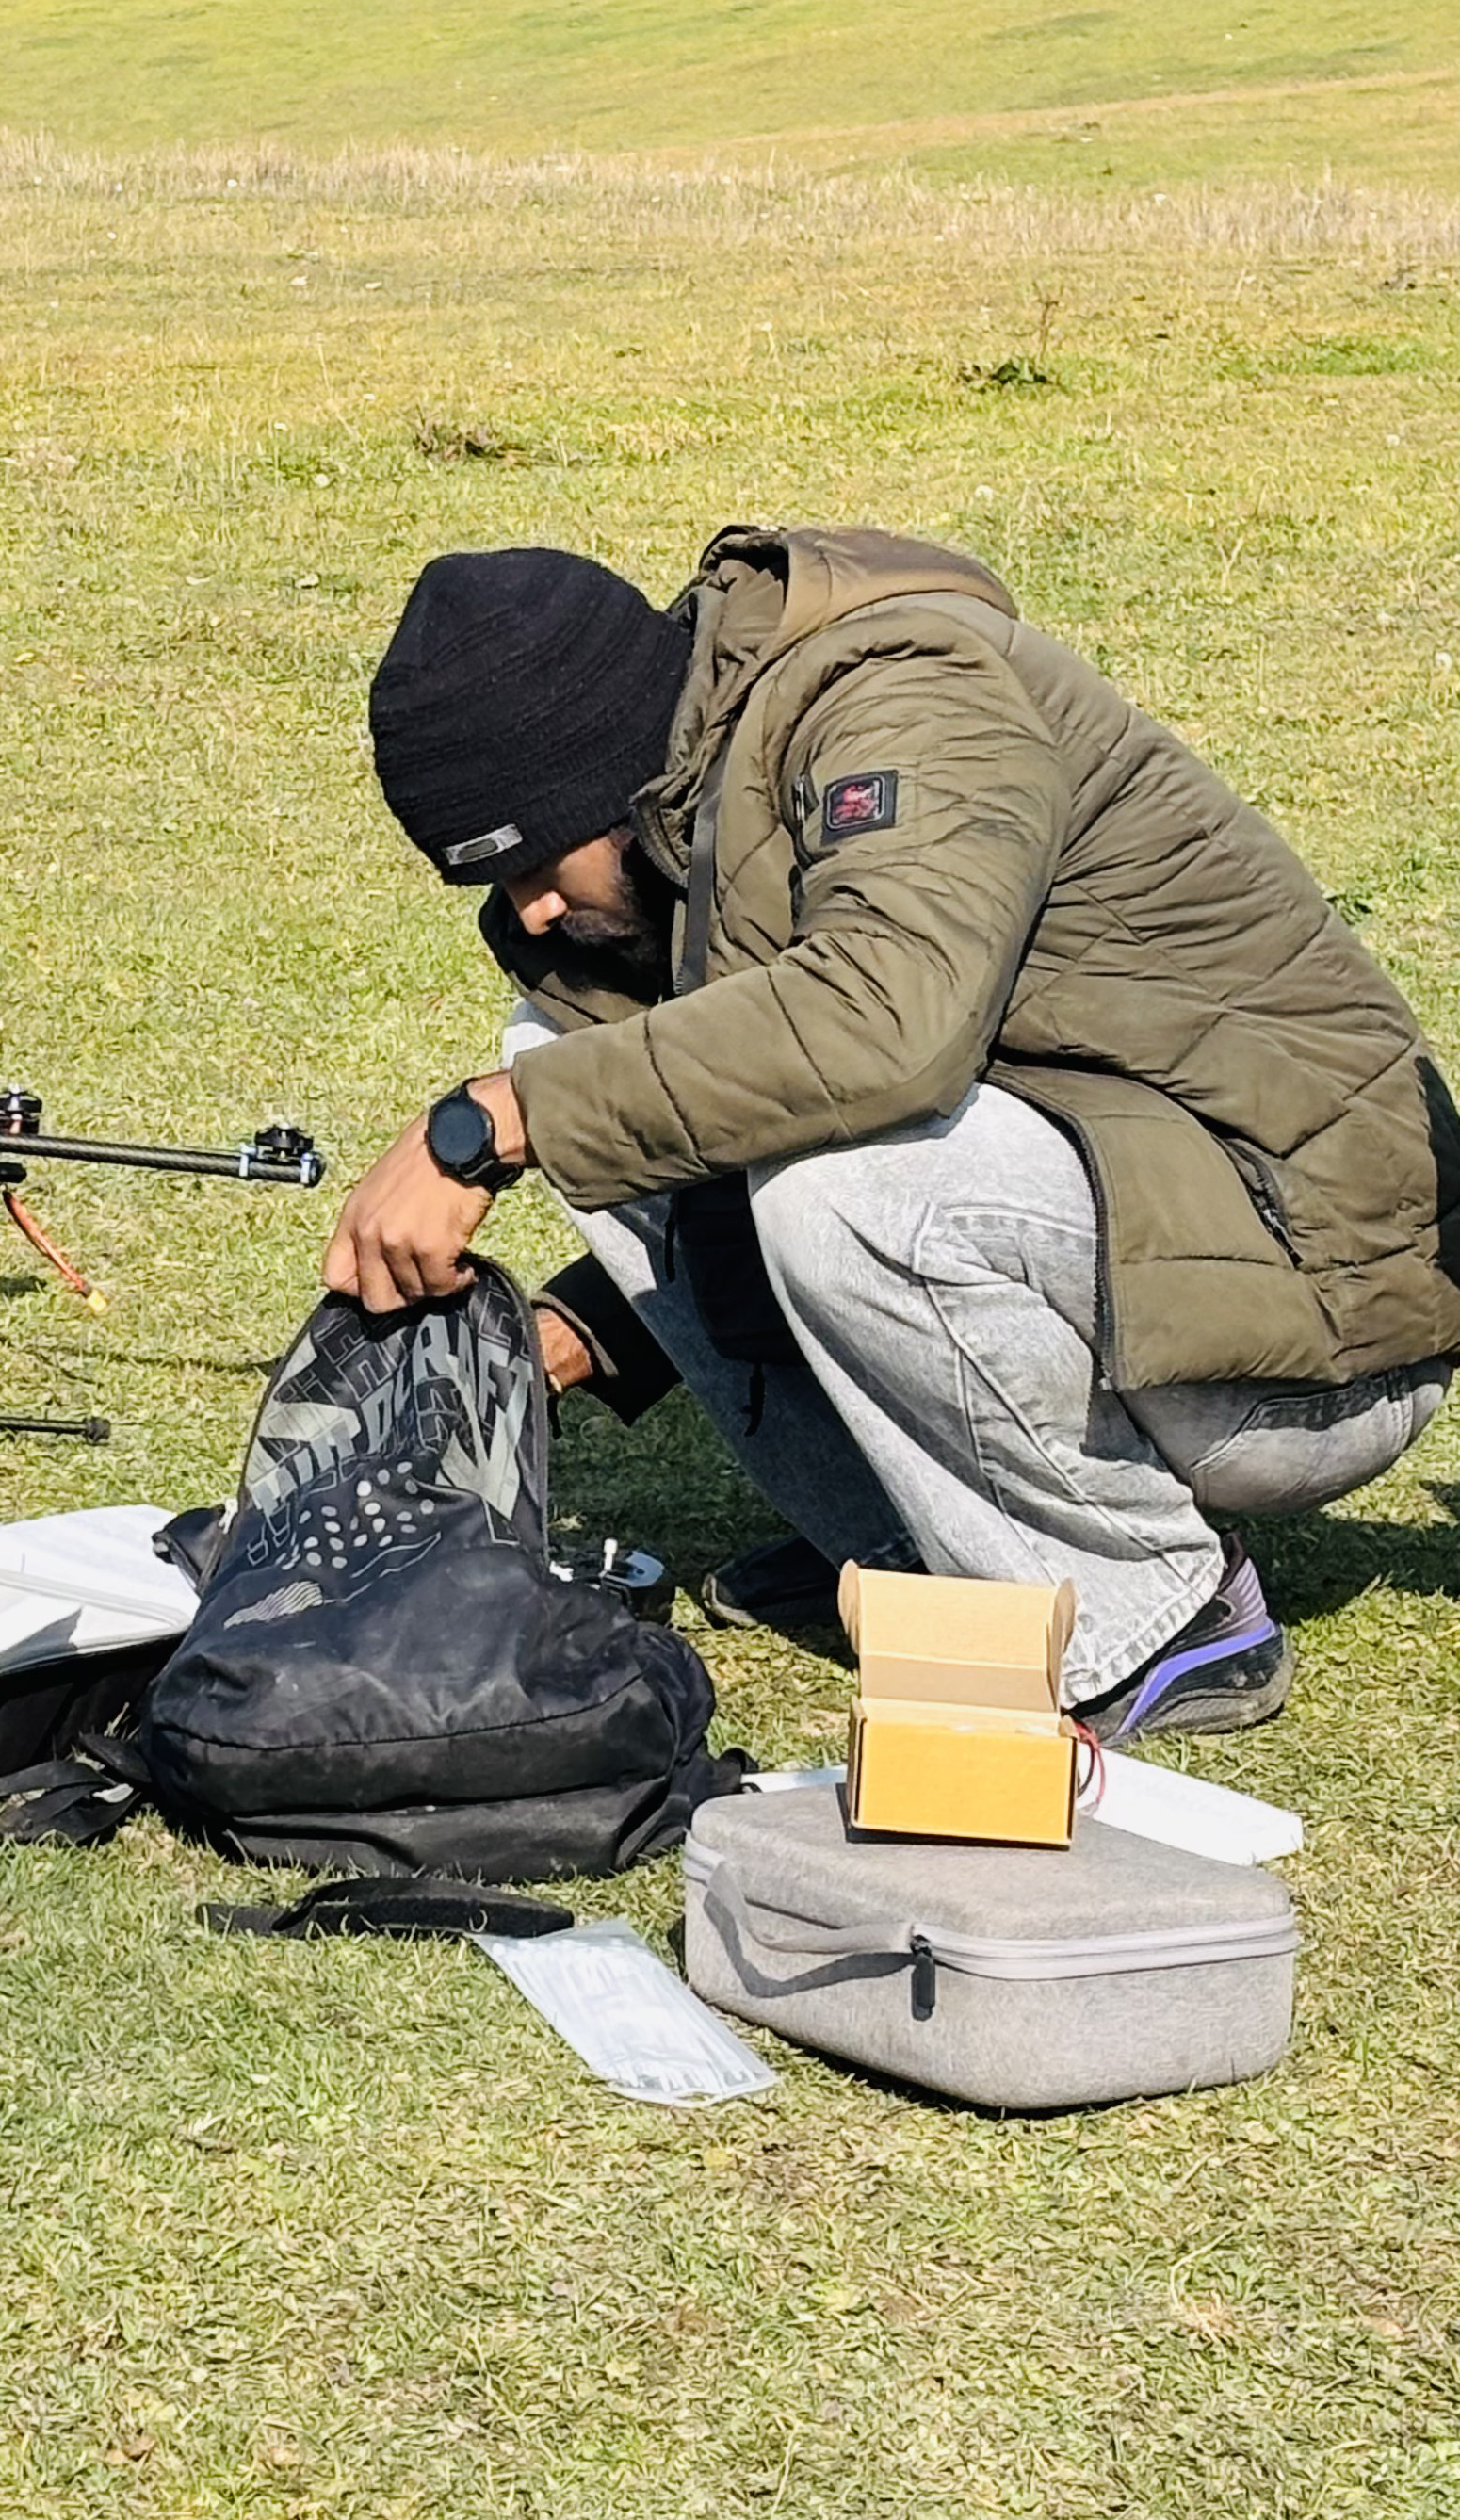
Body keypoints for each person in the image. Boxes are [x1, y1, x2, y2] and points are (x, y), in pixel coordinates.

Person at [326, 526, 1460, 1740]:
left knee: (830, 1180)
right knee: (564, 1052)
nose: (529, 907)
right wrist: (582, 1331)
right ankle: (933, 1568)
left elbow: (887, 1030)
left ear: (608, 768)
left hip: (1317, 1331)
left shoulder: (906, 699)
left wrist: (492, 1127)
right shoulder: (688, 823)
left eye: (529, 857)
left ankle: (1165, 1618)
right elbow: (722, 1109)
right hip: (1144, 1244)